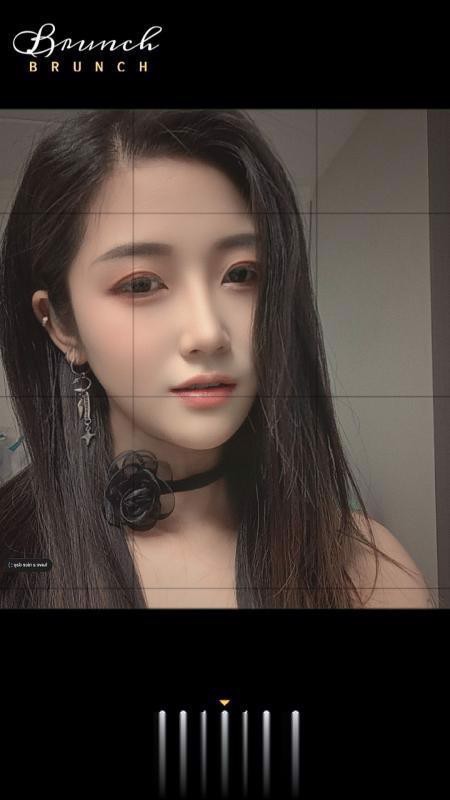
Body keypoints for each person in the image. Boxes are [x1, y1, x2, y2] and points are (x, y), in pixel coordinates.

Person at [0, 109, 435, 609]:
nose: (208, 332)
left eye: (241, 274)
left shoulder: (368, 573)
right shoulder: (17, 563)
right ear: (61, 324)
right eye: (141, 284)